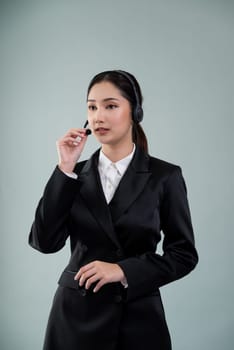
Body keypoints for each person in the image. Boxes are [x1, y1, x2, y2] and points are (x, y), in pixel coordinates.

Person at [29, 69, 198, 350]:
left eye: (110, 106)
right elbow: (44, 243)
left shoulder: (164, 176)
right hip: (75, 318)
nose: (98, 116)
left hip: (139, 318)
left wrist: (123, 270)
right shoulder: (73, 175)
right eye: (92, 107)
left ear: (135, 112)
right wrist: (65, 169)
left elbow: (184, 254)